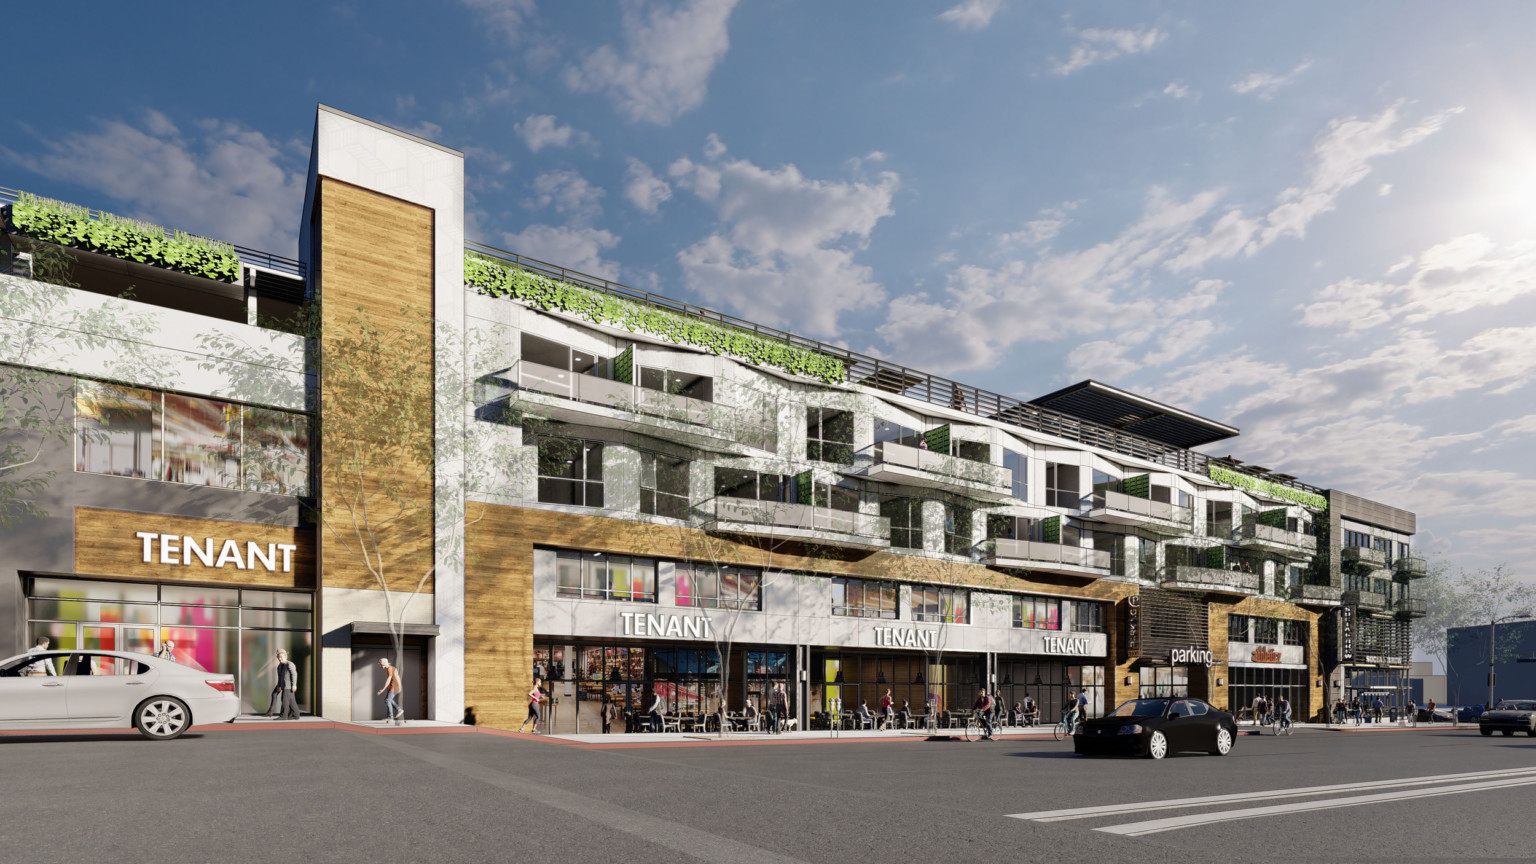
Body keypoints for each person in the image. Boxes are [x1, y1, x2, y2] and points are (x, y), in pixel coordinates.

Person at [266, 649, 300, 720]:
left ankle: (283, 716)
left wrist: (294, 685)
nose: (279, 658)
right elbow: (280, 677)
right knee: (291, 701)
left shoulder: (290, 664)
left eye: (281, 657)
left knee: (285, 700)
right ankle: (296, 715)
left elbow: (294, 674)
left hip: (288, 686)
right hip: (283, 685)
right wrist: (279, 685)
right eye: (278, 657)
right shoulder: (279, 666)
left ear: (286, 657)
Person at [376, 658, 404, 725]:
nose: (380, 666)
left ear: (384, 664)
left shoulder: (389, 669)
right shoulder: (392, 668)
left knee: (387, 700)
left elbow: (388, 679)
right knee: (388, 699)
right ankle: (399, 709)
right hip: (396, 686)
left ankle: (390, 717)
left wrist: (382, 689)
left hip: (395, 687)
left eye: (380, 664)